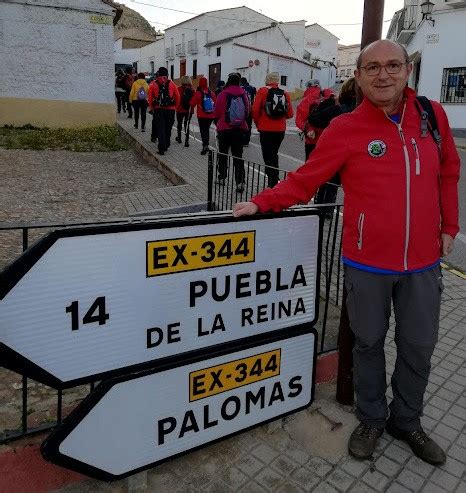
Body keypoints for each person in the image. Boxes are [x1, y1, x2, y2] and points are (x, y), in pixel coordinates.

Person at [233, 40, 460, 466]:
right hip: (366, 263)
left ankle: (407, 420)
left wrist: (450, 226)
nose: (383, 74)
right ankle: (372, 417)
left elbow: (449, 170)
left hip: (423, 264)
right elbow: (305, 179)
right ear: (357, 76)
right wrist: (263, 202)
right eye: (371, 67)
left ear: (407, 71)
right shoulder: (346, 128)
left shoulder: (432, 116)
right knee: (368, 344)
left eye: (393, 65)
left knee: (419, 346)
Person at [309, 80, 356, 214]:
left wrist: (329, 102)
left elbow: (314, 118)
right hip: (351, 155)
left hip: (332, 151)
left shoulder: (339, 109)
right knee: (335, 182)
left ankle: (320, 207)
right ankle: (329, 208)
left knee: (326, 178)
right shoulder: (366, 110)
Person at [252, 72, 293, 188]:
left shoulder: (262, 91)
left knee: (267, 155)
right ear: (277, 81)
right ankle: (274, 177)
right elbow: (290, 114)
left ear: (267, 80)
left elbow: (254, 110)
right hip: (280, 130)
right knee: (274, 153)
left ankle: (272, 180)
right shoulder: (284, 93)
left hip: (265, 129)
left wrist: (257, 122)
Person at [214, 73, 250, 193]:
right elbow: (247, 110)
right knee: (238, 156)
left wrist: (220, 121)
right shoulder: (243, 93)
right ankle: (240, 182)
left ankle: (222, 177)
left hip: (224, 129)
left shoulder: (223, 94)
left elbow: (217, 111)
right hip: (239, 129)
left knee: (223, 154)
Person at [148, 67, 180, 155]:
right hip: (170, 110)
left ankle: (161, 148)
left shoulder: (153, 84)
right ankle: (167, 144)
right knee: (168, 128)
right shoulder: (171, 83)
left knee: (161, 128)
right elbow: (177, 96)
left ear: (158, 74)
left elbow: (150, 98)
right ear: (167, 74)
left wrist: (151, 108)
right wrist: (175, 107)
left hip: (159, 109)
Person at [295, 79, 322, 159]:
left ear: (307, 87)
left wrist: (308, 128)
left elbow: (299, 120)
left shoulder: (305, 101)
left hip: (312, 139)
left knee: (311, 165)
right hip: (328, 139)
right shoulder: (328, 96)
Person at [190, 77, 217, 154]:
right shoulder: (211, 93)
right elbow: (215, 103)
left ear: (199, 83)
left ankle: (205, 145)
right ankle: (206, 145)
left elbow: (192, 104)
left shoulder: (198, 93)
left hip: (202, 116)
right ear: (207, 83)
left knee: (203, 131)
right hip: (211, 115)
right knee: (206, 130)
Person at [175, 75, 194, 146]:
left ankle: (179, 138)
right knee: (187, 125)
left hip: (180, 110)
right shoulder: (192, 90)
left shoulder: (179, 89)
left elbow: (177, 99)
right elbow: (194, 101)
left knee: (179, 124)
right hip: (189, 111)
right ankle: (187, 141)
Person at [241, 77, 257, 146]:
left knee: (241, 125)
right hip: (250, 109)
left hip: (242, 110)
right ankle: (247, 141)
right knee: (249, 125)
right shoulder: (252, 88)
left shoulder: (240, 88)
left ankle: (242, 139)